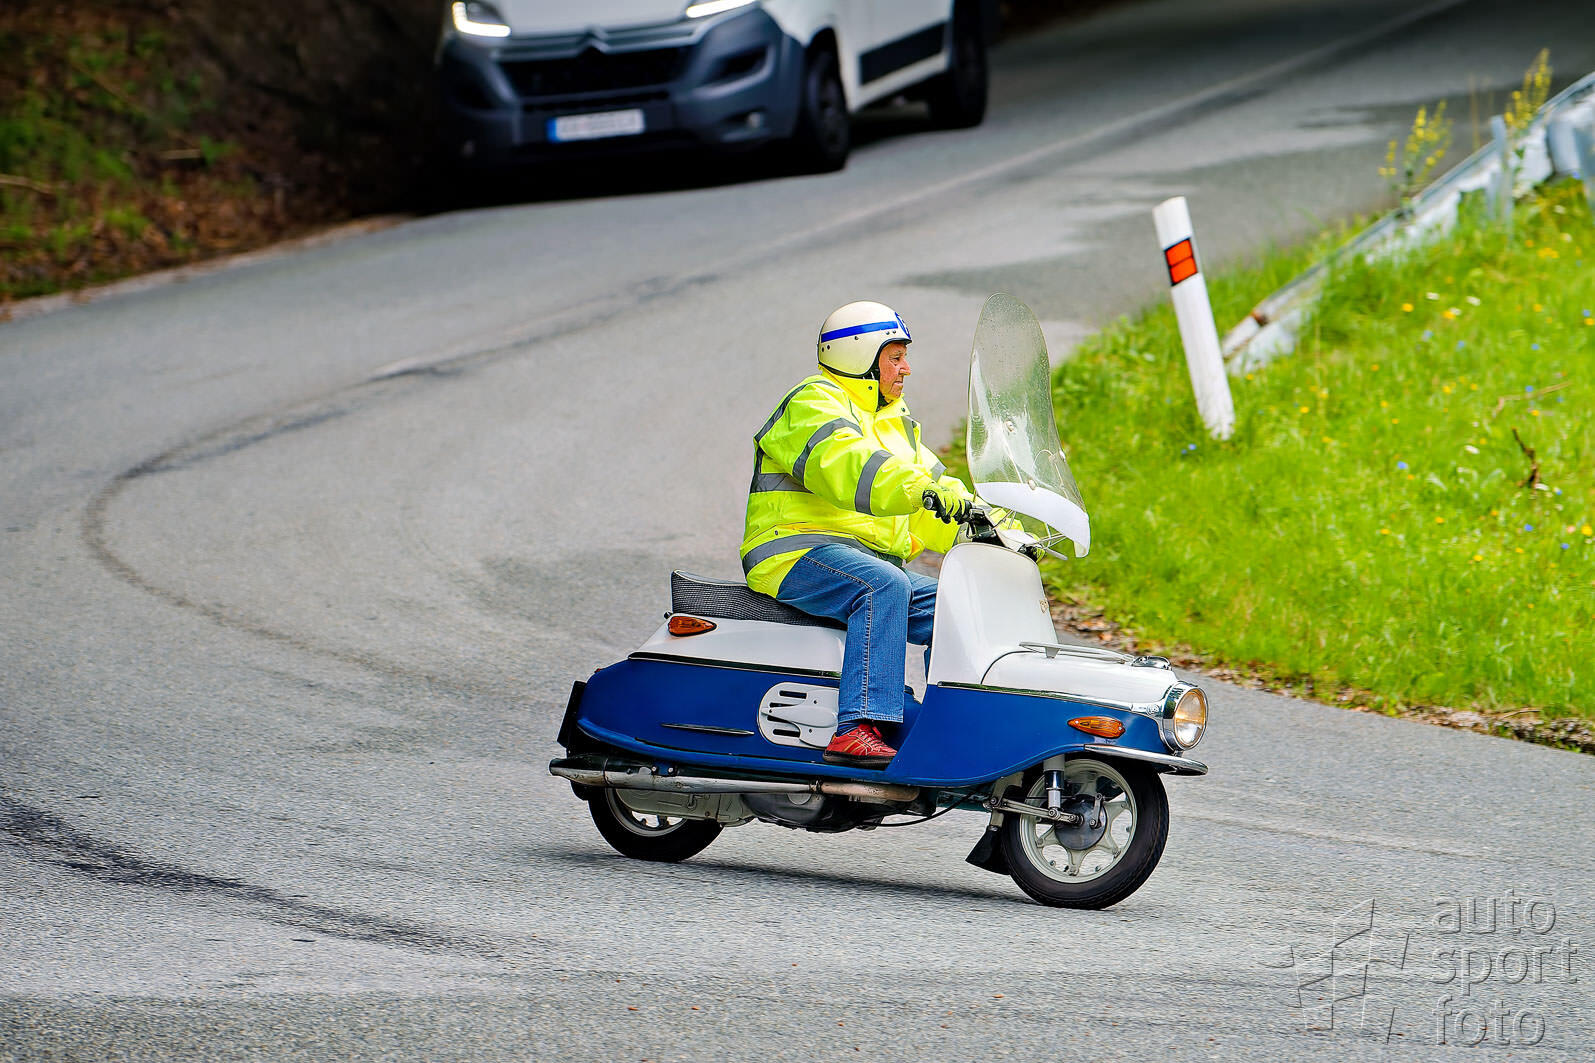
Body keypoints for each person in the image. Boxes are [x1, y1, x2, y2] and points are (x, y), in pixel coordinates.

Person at [740, 301, 973, 768]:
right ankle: (858, 727)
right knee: (882, 585)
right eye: (896, 357)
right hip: (794, 551)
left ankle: (950, 727)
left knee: (958, 605)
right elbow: (847, 465)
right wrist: (918, 489)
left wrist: (995, 527)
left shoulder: (894, 423)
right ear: (859, 356)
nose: (906, 368)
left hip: (863, 559)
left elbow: (935, 490)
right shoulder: (813, 402)